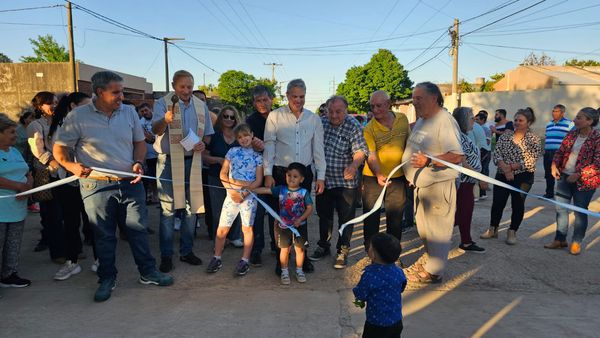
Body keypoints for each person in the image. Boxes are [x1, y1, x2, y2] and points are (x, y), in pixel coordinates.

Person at [54, 71, 173, 302]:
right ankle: (107, 278)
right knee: (104, 235)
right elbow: (59, 149)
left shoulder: (128, 112)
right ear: (99, 92)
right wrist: (72, 166)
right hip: (95, 186)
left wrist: (138, 163)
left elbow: (139, 143)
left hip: (131, 183)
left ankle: (147, 272)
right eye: (116, 92)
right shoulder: (78, 116)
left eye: (122, 91)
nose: (121, 96)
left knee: (138, 230)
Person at [152, 70, 215, 273]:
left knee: (192, 208)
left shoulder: (200, 105)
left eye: (190, 86)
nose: (186, 91)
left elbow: (207, 135)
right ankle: (167, 255)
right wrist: (165, 120)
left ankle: (187, 251)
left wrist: (202, 145)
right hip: (169, 161)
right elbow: (156, 130)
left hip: (192, 161)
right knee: (168, 209)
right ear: (174, 86)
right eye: (182, 87)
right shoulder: (163, 103)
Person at [402, 82, 464, 284]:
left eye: (419, 98)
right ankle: (430, 262)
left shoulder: (444, 120)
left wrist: (429, 161)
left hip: (439, 187)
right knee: (425, 229)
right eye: (414, 98)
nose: (414, 102)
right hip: (423, 186)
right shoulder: (422, 120)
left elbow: (457, 155)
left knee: (437, 231)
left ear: (434, 98)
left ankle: (434, 272)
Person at [263, 78, 325, 274]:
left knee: (302, 216)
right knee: (279, 217)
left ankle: (302, 256)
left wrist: (320, 176)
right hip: (281, 173)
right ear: (287, 96)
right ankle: (281, 258)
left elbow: (318, 149)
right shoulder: (275, 116)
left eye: (302, 96)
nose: (298, 100)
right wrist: (267, 173)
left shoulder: (313, 119)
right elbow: (269, 145)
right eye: (295, 96)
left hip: (304, 174)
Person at [309, 95, 367, 269]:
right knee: (324, 216)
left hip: (346, 182)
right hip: (324, 180)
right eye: (330, 111)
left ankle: (343, 249)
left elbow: (360, 151)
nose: (333, 115)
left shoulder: (353, 125)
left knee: (346, 218)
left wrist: (354, 165)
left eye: (338, 112)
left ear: (346, 110)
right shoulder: (321, 123)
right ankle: (323, 245)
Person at [206, 124, 263, 275]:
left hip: (249, 198)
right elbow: (223, 174)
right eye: (239, 137)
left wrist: (243, 194)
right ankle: (216, 257)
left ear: (252, 135)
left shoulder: (258, 156)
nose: (243, 139)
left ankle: (245, 260)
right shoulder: (232, 152)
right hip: (231, 195)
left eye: (246, 135)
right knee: (222, 227)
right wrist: (231, 191)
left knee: (247, 228)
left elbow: (258, 181)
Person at [480, 108, 542, 245]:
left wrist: (512, 168)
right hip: (502, 174)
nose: (517, 123)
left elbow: (531, 159)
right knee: (498, 203)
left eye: (521, 120)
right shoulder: (505, 136)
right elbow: (497, 154)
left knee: (518, 204)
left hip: (523, 176)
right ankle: (493, 229)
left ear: (529, 122)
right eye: (515, 120)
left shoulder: (534, 139)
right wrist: (505, 169)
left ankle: (512, 231)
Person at [47, 92, 92, 280]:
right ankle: (72, 262)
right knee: (71, 222)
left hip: (90, 180)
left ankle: (100, 260)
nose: (90, 109)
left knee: (93, 222)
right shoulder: (61, 126)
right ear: (73, 106)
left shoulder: (90, 123)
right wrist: (70, 166)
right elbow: (58, 152)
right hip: (68, 181)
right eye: (85, 105)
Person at [546, 107, 600, 255]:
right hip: (564, 177)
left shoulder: (597, 138)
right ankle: (560, 239)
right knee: (561, 209)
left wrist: (579, 174)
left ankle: (576, 241)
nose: (575, 120)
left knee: (579, 211)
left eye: (579, 117)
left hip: (585, 182)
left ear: (589, 121)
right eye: (576, 117)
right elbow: (560, 151)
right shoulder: (571, 134)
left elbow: (598, 163)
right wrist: (554, 165)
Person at [361, 90, 408, 253]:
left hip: (398, 177)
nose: (375, 110)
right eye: (372, 106)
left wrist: (410, 172)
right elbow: (371, 155)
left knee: (395, 219)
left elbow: (408, 145)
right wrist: (379, 174)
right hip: (373, 178)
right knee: (371, 218)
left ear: (389, 104)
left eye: (379, 105)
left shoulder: (403, 119)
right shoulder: (368, 129)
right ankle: (372, 253)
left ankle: (392, 255)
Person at [254, 162, 314, 285]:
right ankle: (284, 271)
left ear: (302, 179)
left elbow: (309, 208)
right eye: (289, 175)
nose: (291, 178)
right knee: (284, 250)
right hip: (284, 227)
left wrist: (301, 219)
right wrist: (251, 189)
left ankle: (299, 270)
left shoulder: (304, 193)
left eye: (295, 176)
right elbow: (266, 190)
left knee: (300, 250)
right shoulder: (280, 189)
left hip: (299, 227)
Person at [27, 91, 66, 262]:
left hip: (64, 171)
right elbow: (39, 151)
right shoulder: (35, 125)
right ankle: (56, 251)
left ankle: (66, 246)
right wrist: (55, 164)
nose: (54, 106)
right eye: (50, 103)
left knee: (65, 213)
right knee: (51, 214)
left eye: (56, 102)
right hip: (45, 174)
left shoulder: (62, 122)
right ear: (39, 106)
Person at [0, 113, 33, 288]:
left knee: (13, 243)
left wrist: (28, 185)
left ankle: (9, 275)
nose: (15, 135)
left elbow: (27, 172)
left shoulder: (14, 151)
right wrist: (18, 187)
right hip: (1, 208)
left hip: (17, 207)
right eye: (11, 132)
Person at [202, 106, 243, 246]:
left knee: (236, 207)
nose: (229, 119)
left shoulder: (240, 136)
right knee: (218, 209)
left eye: (232, 117)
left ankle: (235, 236)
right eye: (226, 116)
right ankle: (220, 238)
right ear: (221, 118)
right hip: (215, 177)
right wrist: (219, 160)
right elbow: (204, 156)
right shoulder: (213, 135)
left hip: (237, 178)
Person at [353, 233, 406, 338]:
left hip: (375, 323)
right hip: (396, 321)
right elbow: (402, 287)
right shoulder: (399, 272)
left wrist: (358, 301)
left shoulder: (369, 274)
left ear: (372, 254)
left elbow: (361, 294)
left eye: (370, 247)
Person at [452, 107, 485, 253]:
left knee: (464, 213)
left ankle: (466, 240)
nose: (475, 120)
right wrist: (480, 178)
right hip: (464, 182)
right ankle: (462, 241)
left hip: (468, 183)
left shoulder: (464, 136)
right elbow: (462, 162)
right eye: (472, 118)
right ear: (463, 120)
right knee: (462, 214)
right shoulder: (458, 137)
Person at [245, 85, 271, 266]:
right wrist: (253, 143)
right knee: (259, 211)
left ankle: (279, 246)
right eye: (258, 100)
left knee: (276, 210)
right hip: (257, 172)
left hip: (278, 169)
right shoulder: (250, 120)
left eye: (265, 99)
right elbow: (244, 142)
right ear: (254, 103)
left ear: (272, 99)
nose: (261, 103)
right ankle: (257, 249)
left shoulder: (280, 116)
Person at [543, 104, 573, 198]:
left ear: (562, 113)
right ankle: (549, 193)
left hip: (560, 153)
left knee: (560, 174)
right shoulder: (549, 124)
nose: (554, 113)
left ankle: (562, 194)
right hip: (548, 153)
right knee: (548, 174)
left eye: (557, 111)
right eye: (553, 111)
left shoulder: (569, 123)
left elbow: (573, 138)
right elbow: (547, 137)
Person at [137, 103, 159, 205]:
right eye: (142, 111)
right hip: (149, 155)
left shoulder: (157, 118)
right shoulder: (140, 122)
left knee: (159, 177)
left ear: (150, 109)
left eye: (146, 110)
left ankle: (159, 197)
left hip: (159, 153)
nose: (145, 113)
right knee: (151, 177)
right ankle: (154, 197)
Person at [475, 111, 492, 199]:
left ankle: (482, 192)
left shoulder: (485, 129)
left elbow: (487, 141)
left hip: (485, 152)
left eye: (477, 119)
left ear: (483, 120)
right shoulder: (477, 128)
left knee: (483, 171)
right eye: (475, 119)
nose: (475, 121)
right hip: (479, 151)